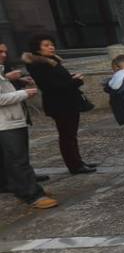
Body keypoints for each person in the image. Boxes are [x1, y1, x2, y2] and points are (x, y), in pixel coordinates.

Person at [22, 35, 96, 175]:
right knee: (66, 135)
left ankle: (78, 161)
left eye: (52, 44)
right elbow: (51, 86)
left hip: (68, 101)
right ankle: (74, 165)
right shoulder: (38, 64)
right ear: (37, 48)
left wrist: (71, 78)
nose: (51, 47)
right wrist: (76, 81)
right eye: (46, 45)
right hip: (59, 104)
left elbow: (60, 80)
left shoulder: (52, 60)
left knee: (71, 134)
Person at [0, 43, 56, 209]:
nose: (4, 54)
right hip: (6, 123)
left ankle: (22, 188)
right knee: (18, 160)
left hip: (11, 121)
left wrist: (14, 81)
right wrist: (24, 93)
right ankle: (31, 194)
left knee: (12, 160)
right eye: (0, 51)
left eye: (5, 51)